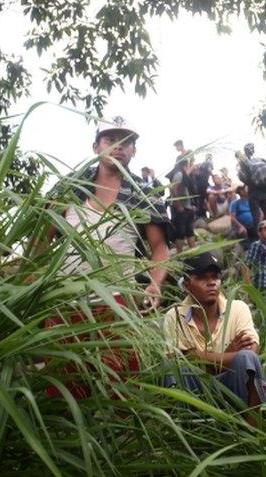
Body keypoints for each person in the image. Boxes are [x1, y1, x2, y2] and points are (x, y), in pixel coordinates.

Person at [44, 117, 171, 397]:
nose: (118, 148)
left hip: (117, 301)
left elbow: (159, 247)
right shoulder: (70, 188)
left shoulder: (145, 193)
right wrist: (35, 280)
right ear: (95, 147)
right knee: (64, 388)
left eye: (126, 143)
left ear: (134, 151)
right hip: (66, 299)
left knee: (120, 387)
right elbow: (42, 239)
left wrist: (155, 282)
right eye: (110, 141)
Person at [162, 252, 266, 424]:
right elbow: (184, 361)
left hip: (233, 385)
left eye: (215, 277)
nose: (212, 282)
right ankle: (182, 434)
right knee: (174, 367)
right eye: (203, 278)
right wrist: (229, 354)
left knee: (247, 358)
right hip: (196, 389)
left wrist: (199, 356)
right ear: (187, 284)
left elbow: (252, 353)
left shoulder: (237, 308)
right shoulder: (174, 316)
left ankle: (254, 434)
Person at [237, 143, 266, 225]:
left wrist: (250, 183)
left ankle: (257, 235)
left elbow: (242, 177)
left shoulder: (243, 163)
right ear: (253, 150)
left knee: (256, 216)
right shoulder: (260, 159)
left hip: (253, 192)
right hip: (265, 191)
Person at [168, 156, 198, 253]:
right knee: (180, 232)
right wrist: (179, 205)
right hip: (180, 208)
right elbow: (172, 188)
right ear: (185, 165)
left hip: (187, 207)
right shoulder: (179, 174)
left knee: (189, 230)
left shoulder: (183, 174)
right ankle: (179, 255)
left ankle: (194, 252)